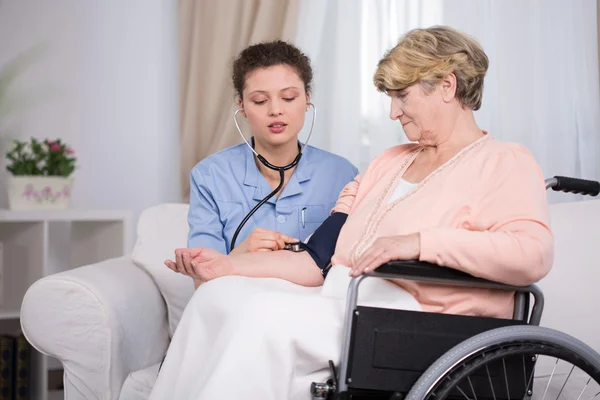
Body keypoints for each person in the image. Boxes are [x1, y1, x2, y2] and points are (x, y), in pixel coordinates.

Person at [150, 26, 553, 399]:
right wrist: (225, 268)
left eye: (402, 96)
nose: (394, 112)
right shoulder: (389, 162)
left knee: (260, 317)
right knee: (217, 297)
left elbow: (532, 254)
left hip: (417, 321)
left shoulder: (504, 161)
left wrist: (419, 243)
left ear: (446, 86)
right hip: (343, 299)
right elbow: (316, 260)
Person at [169, 40, 359, 287]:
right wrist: (242, 254)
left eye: (289, 97)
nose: (276, 110)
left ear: (307, 99)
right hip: (237, 309)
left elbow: (349, 269)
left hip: (313, 311)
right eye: (260, 101)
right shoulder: (210, 176)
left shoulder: (343, 174)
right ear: (242, 107)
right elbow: (202, 284)